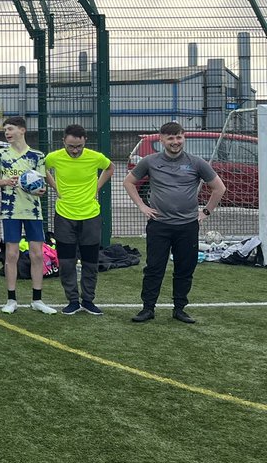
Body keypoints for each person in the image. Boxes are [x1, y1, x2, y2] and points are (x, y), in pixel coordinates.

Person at [123, 122, 225, 324]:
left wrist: (205, 212)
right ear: (161, 139)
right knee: (154, 268)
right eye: (170, 138)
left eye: (179, 137)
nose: (175, 142)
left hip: (187, 226)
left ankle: (179, 309)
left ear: (184, 138)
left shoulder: (196, 163)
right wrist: (142, 206)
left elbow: (219, 188)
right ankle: (147, 309)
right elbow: (128, 182)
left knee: (185, 269)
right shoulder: (150, 161)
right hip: (159, 225)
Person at [0, 116, 56, 315]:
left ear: (22, 130)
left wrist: (40, 190)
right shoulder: (0, 155)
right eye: (5, 130)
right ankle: (11, 299)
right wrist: (5, 181)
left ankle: (37, 300)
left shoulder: (36, 156)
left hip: (33, 212)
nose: (7, 133)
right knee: (11, 254)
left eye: (10, 129)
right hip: (10, 211)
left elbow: (40, 184)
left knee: (37, 254)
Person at [45, 124, 114, 315]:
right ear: (63, 142)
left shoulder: (95, 157)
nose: (75, 150)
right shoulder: (54, 157)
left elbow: (110, 168)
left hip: (90, 216)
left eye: (79, 147)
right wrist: (54, 187)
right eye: (71, 146)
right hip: (64, 216)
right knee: (66, 262)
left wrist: (97, 188)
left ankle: (88, 300)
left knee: (90, 262)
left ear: (85, 142)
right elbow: (42, 168)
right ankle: (73, 301)